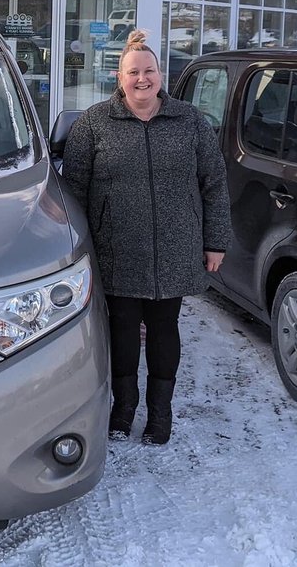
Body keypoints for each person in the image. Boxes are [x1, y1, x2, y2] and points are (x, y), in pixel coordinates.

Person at [61, 29, 231, 445]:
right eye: (133, 72)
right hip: (116, 249)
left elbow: (214, 183)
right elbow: (73, 191)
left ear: (160, 74)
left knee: (163, 329)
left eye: (149, 71)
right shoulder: (93, 124)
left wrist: (215, 241)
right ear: (119, 78)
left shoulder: (189, 121)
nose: (142, 79)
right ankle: (123, 409)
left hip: (176, 247)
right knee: (121, 331)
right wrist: (77, 250)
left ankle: (160, 414)